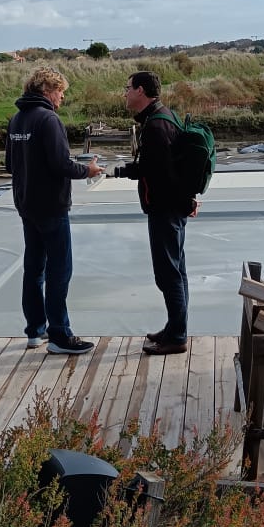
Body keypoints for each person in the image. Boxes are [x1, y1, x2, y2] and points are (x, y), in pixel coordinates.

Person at [5, 67, 103, 355]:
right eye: (60, 91)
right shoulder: (49, 120)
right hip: (51, 206)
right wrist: (89, 170)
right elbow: (62, 165)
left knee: (34, 269)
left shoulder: (17, 119)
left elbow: (11, 165)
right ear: (47, 89)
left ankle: (35, 330)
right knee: (60, 270)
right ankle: (60, 334)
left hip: (26, 205)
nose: (62, 96)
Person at [115, 71, 198, 355]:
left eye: (128, 88)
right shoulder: (162, 116)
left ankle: (177, 336)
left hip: (165, 209)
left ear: (140, 91)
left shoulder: (156, 126)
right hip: (171, 207)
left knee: (168, 274)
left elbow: (163, 174)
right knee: (177, 270)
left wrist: (185, 201)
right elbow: (163, 167)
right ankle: (175, 327)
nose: (124, 93)